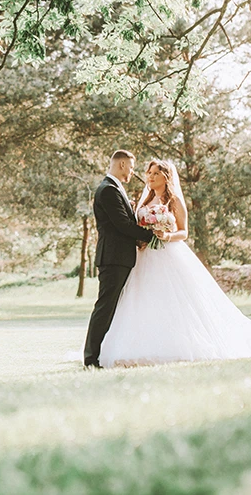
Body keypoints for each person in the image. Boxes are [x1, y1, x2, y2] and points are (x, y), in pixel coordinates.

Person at [99, 159, 251, 367]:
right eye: (149, 173)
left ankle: (174, 346)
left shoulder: (174, 201)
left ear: (166, 177)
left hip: (167, 254)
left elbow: (183, 232)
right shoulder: (145, 199)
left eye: (156, 173)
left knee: (173, 300)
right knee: (142, 299)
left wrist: (166, 235)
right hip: (145, 256)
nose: (150, 176)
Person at [83, 150, 158, 368]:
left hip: (120, 257)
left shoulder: (114, 188)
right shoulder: (108, 190)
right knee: (105, 307)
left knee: (112, 307)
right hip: (113, 258)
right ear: (122, 164)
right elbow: (123, 224)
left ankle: (104, 352)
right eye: (132, 167)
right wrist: (151, 236)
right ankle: (90, 358)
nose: (132, 172)